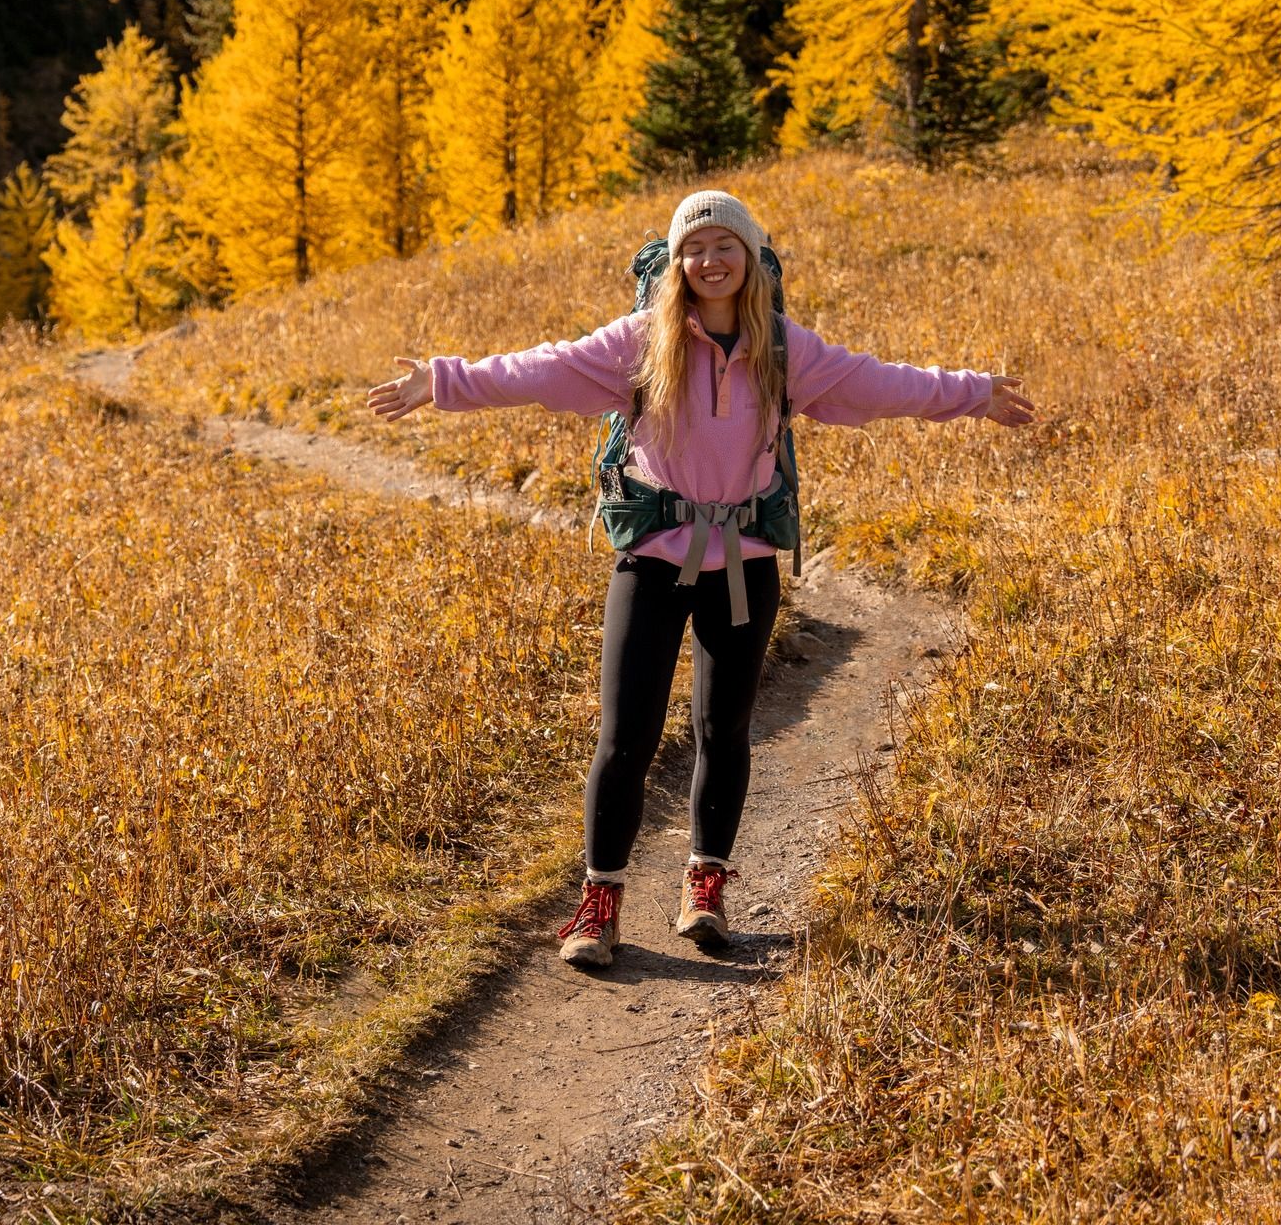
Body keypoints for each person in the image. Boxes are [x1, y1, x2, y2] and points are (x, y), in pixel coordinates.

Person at [367, 186, 1036, 970]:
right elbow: (538, 370)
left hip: (745, 563)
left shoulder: (788, 351)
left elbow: (886, 384)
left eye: (725, 247)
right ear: (676, 263)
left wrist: (973, 394)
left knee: (724, 732)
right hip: (652, 559)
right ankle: (600, 902)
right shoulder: (639, 344)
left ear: (751, 260)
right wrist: (442, 381)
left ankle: (706, 885)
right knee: (626, 738)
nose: (708, 260)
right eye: (694, 248)